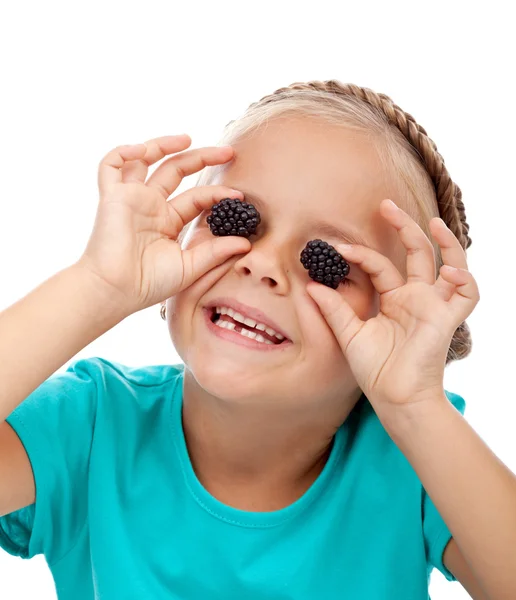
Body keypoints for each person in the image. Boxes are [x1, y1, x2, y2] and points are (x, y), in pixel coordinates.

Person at [0, 80, 513, 600]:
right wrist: (97, 287)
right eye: (231, 220)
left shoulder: (414, 463)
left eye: (328, 263)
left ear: (396, 320)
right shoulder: (87, 426)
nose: (262, 263)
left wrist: (412, 403)